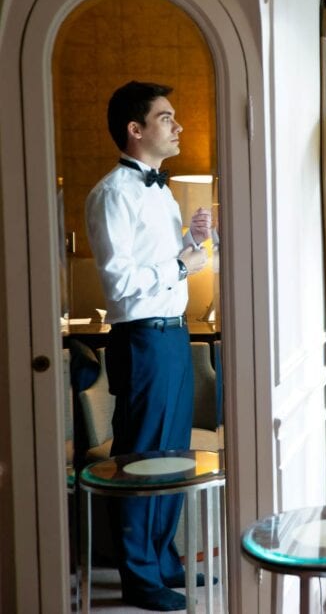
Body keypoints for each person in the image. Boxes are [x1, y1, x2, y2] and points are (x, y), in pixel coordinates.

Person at [86, 81, 211, 611]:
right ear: (136, 130)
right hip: (140, 340)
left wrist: (193, 241)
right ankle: (139, 576)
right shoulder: (111, 194)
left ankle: (163, 560)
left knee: (171, 454)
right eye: (167, 118)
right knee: (141, 456)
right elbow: (120, 284)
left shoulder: (159, 192)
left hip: (172, 336)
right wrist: (183, 264)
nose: (177, 126)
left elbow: (159, 271)